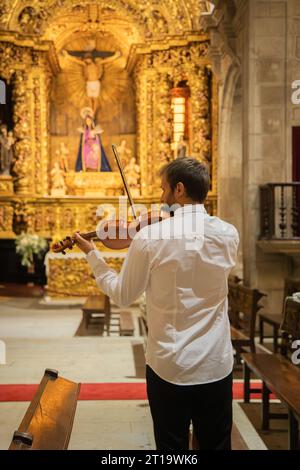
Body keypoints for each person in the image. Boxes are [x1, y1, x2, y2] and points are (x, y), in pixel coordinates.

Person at [74, 157, 239, 450]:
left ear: (178, 189)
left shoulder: (151, 238)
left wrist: (93, 256)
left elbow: (123, 295)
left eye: (163, 190)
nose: (160, 198)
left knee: (171, 447)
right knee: (217, 445)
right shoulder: (228, 234)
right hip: (216, 364)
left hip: (169, 365)